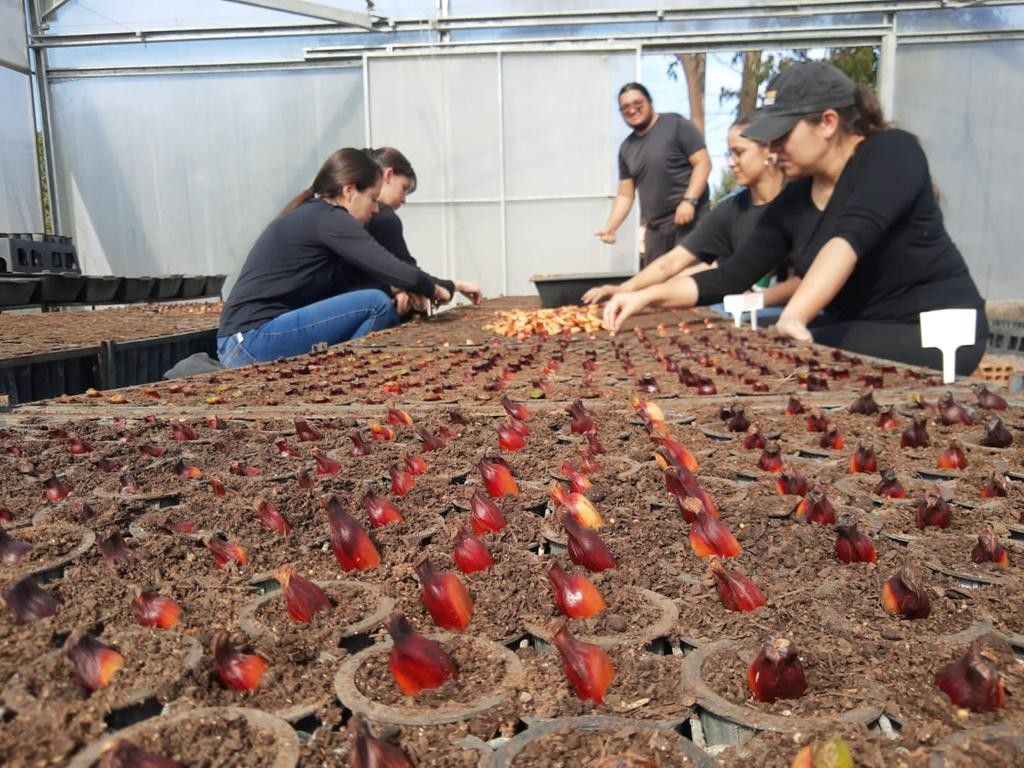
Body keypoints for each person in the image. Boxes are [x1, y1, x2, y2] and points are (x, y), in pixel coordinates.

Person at [603, 62, 988, 376]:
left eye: (781, 135)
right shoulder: (795, 199)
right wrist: (642, 295)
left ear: (828, 122)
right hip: (854, 327)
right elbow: (731, 276)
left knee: (773, 358)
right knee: (754, 352)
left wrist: (794, 316)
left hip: (932, 330)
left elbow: (850, 237)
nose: (772, 150)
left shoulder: (890, 152)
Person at [217, 148, 480, 368]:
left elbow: (356, 286)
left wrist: (416, 286)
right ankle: (342, 371)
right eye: (373, 199)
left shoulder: (317, 215)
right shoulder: (329, 219)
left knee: (376, 298)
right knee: (375, 305)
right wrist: (436, 288)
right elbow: (395, 269)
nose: (377, 209)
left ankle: (335, 371)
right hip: (249, 342)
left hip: (248, 340)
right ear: (350, 191)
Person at [582, 111, 797, 309]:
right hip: (743, 313)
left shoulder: (797, 204)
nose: (731, 163)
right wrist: (627, 290)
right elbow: (674, 262)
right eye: (729, 153)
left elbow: (808, 279)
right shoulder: (730, 210)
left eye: (739, 153)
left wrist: (750, 301)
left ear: (770, 150)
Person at [597, 82, 712, 268]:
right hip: (656, 230)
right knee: (655, 284)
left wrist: (689, 201)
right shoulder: (627, 148)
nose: (632, 110)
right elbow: (625, 194)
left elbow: (703, 163)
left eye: (637, 103)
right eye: (625, 107)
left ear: (650, 102)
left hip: (690, 222)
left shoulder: (676, 125)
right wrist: (611, 226)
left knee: (689, 282)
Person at [362, 147, 481, 319]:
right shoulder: (384, 216)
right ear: (388, 176)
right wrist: (449, 287)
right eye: (403, 188)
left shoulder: (337, 217)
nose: (404, 199)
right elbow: (407, 273)